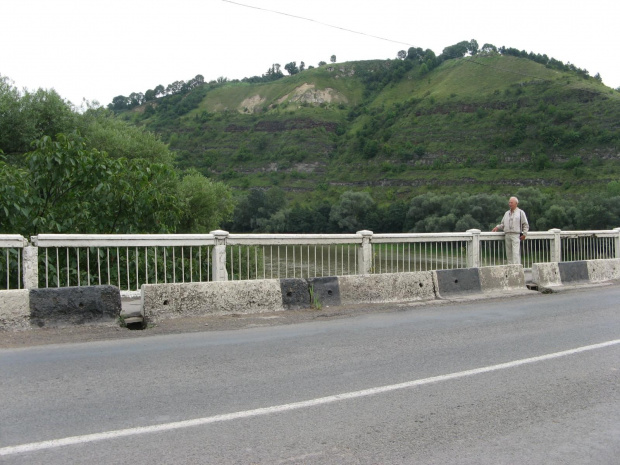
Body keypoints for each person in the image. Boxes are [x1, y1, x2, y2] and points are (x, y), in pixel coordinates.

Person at [492, 196, 529, 265]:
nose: (510, 204)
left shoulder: (520, 213)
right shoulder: (506, 213)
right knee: (508, 254)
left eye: (511, 203)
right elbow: (503, 224)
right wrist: (497, 227)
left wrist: (525, 234)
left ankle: (517, 270)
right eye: (509, 202)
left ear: (516, 203)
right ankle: (510, 270)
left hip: (516, 235)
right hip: (507, 235)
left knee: (515, 254)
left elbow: (525, 224)